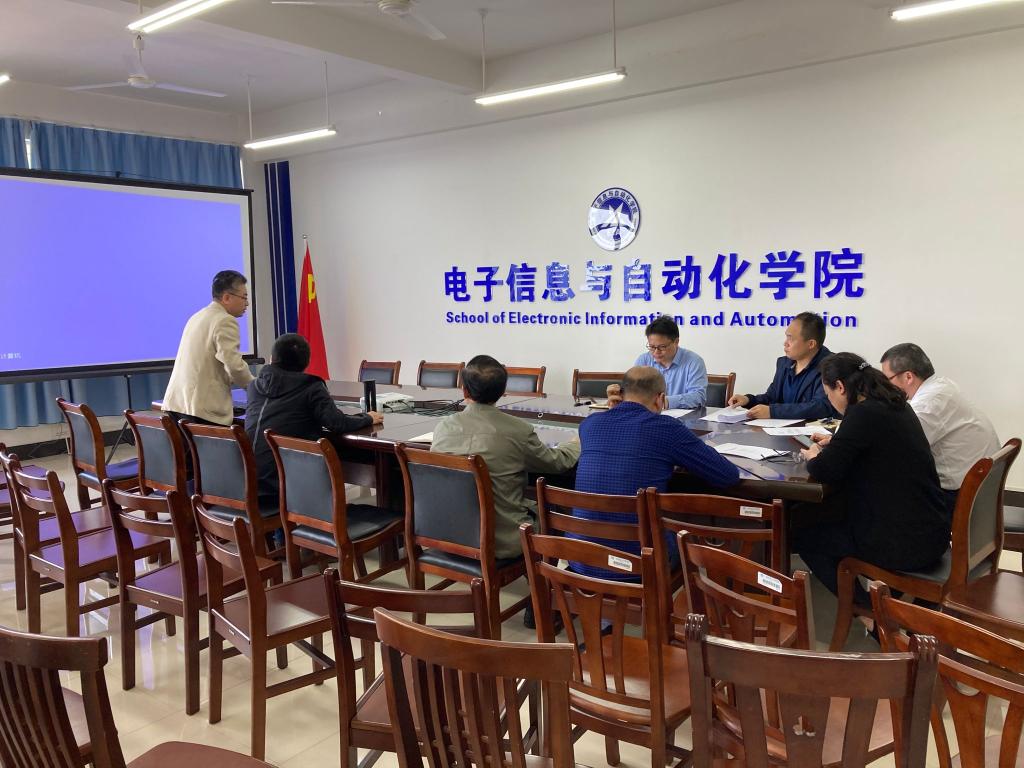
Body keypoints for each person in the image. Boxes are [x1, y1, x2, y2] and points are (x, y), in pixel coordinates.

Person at [793, 353, 948, 599]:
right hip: (930, 529)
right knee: (828, 515)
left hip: (904, 543)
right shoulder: (894, 403)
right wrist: (838, 444)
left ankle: (867, 609)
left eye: (828, 394)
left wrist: (814, 456)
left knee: (803, 535)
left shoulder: (863, 413)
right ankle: (881, 604)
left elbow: (825, 469)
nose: (830, 400)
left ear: (840, 387)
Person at [574, 366, 741, 580]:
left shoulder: (589, 425)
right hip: (642, 563)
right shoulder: (666, 428)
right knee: (687, 541)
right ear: (660, 399)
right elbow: (727, 475)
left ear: (621, 394)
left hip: (582, 558)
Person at [431, 355, 581, 560]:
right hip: (502, 541)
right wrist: (576, 443)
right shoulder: (518, 430)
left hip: (447, 534)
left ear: (464, 391)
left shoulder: (443, 427)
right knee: (553, 511)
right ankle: (548, 578)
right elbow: (557, 462)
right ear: (503, 392)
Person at [245, 333, 382, 502]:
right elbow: (336, 423)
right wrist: (367, 418)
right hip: (287, 490)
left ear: (271, 358)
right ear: (307, 362)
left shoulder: (254, 387)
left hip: (249, 487)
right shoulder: (310, 387)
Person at [880, 343, 1000, 520]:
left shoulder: (928, 404)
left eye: (886, 379)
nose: (884, 386)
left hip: (960, 495)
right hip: (980, 486)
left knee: (883, 494)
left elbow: (899, 450)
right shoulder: (941, 385)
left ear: (908, 377)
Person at [163, 270, 255, 426]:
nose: (247, 303)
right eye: (244, 297)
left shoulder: (197, 316)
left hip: (178, 404)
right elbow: (234, 366)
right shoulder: (225, 320)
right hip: (202, 410)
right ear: (227, 297)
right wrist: (256, 389)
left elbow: (211, 362)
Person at [727, 312, 835, 420]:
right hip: (780, 429)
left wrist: (773, 412)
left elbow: (820, 407)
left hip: (812, 430)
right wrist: (748, 400)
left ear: (811, 344)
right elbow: (772, 397)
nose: (785, 343)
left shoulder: (831, 366)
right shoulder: (784, 364)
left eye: (790, 338)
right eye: (786, 337)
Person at [607, 315, 707, 409]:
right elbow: (634, 392)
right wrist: (621, 396)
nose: (656, 352)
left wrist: (664, 402)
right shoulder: (643, 360)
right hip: (646, 416)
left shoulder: (694, 362)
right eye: (652, 347)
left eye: (662, 347)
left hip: (683, 418)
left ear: (676, 342)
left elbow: (699, 397)